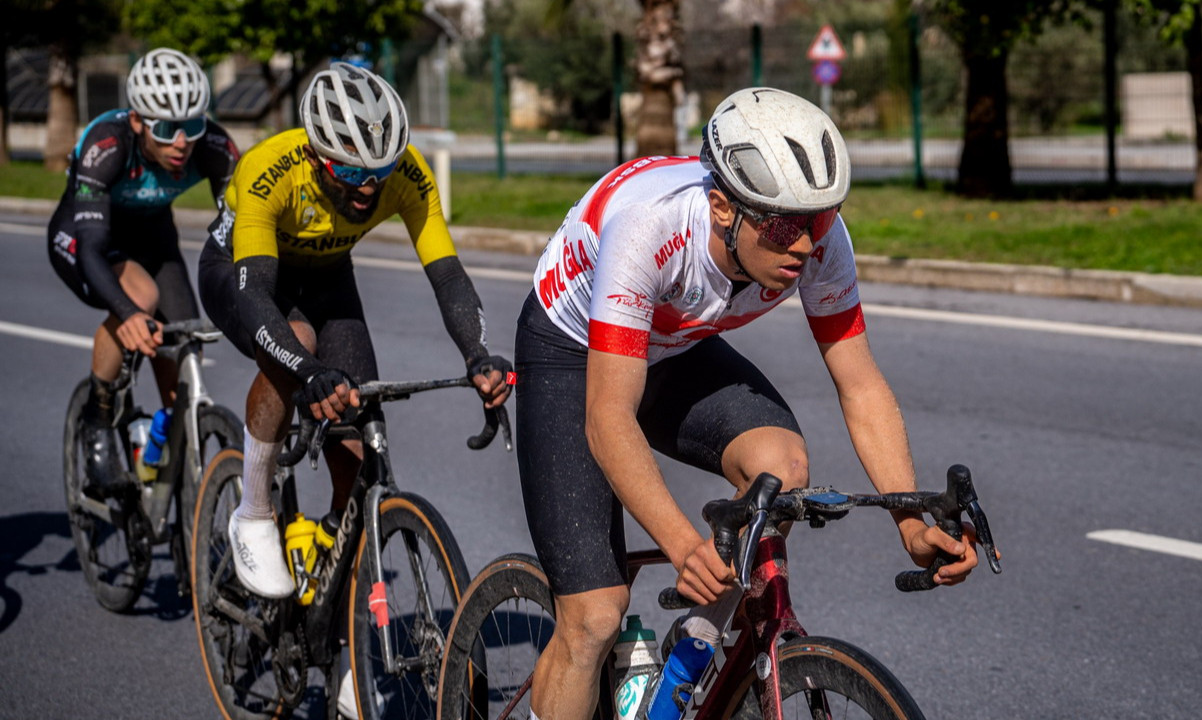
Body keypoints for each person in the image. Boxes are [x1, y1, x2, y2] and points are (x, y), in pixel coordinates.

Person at [514, 87, 987, 720]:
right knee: (595, 615)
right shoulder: (648, 229)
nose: (806, 245)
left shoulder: (817, 240)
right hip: (573, 352)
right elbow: (607, 419)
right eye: (788, 226)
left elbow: (861, 384)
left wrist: (909, 519)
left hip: (675, 345)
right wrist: (685, 547)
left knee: (781, 471)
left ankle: (686, 663)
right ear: (720, 210)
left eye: (821, 221)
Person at [198, 61, 511, 597]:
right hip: (242, 271)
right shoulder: (268, 168)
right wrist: (307, 370)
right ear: (318, 156)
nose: (367, 186)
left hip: (327, 275)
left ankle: (337, 605)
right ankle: (252, 512)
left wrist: (478, 355)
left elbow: (448, 275)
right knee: (297, 347)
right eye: (349, 171)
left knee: (360, 436)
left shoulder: (408, 174)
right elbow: (255, 296)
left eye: (379, 171)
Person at [48, 47, 239, 491]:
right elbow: (93, 247)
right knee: (141, 299)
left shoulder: (214, 148)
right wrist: (129, 313)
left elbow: (241, 233)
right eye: (166, 129)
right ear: (137, 121)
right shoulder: (108, 144)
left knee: (186, 344)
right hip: (87, 236)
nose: (182, 142)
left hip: (154, 237)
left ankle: (168, 475)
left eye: (192, 126)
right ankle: (98, 420)